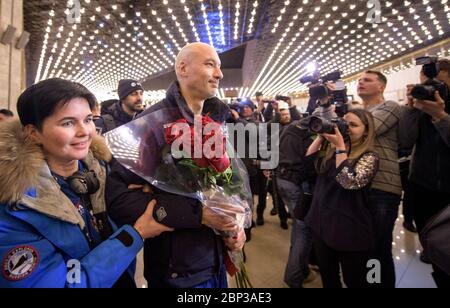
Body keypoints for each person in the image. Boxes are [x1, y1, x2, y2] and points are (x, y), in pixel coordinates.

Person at [0, 79, 173, 288]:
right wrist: (134, 235)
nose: (85, 132)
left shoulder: (104, 173)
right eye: (68, 123)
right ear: (33, 133)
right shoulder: (17, 205)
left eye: (88, 119)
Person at [106, 43, 246, 288]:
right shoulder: (151, 124)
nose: (220, 74)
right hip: (177, 274)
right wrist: (199, 214)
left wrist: (237, 224)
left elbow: (233, 183)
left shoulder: (216, 120)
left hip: (217, 263)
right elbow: (118, 200)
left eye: (220, 67)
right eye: (210, 64)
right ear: (182, 68)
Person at [305, 109, 379, 288]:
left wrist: (339, 147)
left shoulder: (369, 156)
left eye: (353, 125)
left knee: (355, 280)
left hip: (349, 230)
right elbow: (307, 166)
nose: (347, 128)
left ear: (366, 131)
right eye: (345, 123)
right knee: (329, 277)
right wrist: (321, 136)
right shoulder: (332, 150)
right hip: (322, 224)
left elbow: (348, 181)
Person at [401, 61, 450, 287]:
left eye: (440, 82)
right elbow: (405, 139)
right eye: (429, 82)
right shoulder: (421, 106)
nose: (434, 88)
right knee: (432, 248)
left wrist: (441, 116)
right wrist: (412, 108)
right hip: (423, 185)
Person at [357, 70, 403, 288]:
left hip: (383, 187)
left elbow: (366, 129)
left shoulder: (390, 107)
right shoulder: (357, 112)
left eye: (367, 80)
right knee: (365, 245)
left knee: (378, 247)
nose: (361, 83)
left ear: (381, 86)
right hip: (360, 186)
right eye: (359, 80)